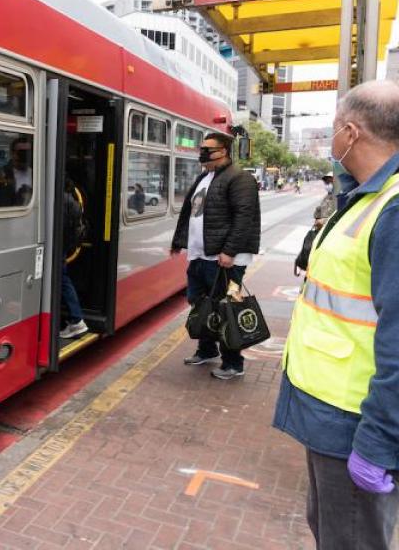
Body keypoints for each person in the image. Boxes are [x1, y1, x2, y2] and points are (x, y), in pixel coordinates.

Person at [273, 80, 399, 550]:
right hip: (331, 415)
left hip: (354, 423)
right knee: (328, 528)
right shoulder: (367, 197)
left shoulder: (392, 210)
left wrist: (378, 443)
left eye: (332, 131)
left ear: (350, 133)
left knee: (349, 539)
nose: (330, 143)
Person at [170, 132, 261, 379]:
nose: (203, 153)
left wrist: (229, 251)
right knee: (201, 304)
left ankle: (233, 363)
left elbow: (244, 217)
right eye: (202, 149)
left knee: (226, 309)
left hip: (225, 260)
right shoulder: (204, 177)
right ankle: (207, 349)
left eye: (208, 150)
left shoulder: (240, 178)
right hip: (201, 256)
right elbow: (192, 213)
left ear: (224, 151)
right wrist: (179, 242)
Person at [60, 179, 88, 340]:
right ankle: (76, 320)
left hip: (56, 249)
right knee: (63, 281)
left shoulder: (58, 201)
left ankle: (77, 320)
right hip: (63, 249)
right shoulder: (74, 203)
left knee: (63, 281)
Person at [0, 137, 33, 208]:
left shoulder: (38, 175)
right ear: (12, 154)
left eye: (28, 153)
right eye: (21, 153)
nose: (25, 156)